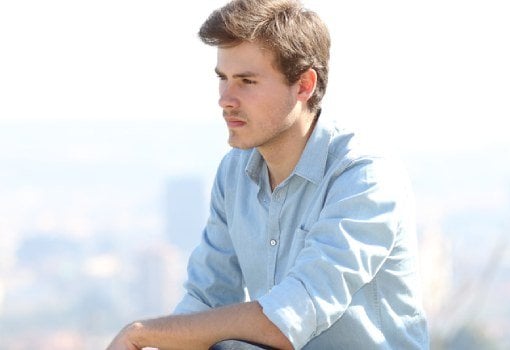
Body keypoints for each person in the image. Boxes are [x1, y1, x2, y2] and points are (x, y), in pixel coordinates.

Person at [106, 0, 429, 349]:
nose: (225, 100)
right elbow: (206, 299)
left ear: (304, 85)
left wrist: (144, 333)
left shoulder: (364, 176)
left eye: (246, 81)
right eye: (223, 79)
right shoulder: (234, 172)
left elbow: (289, 317)